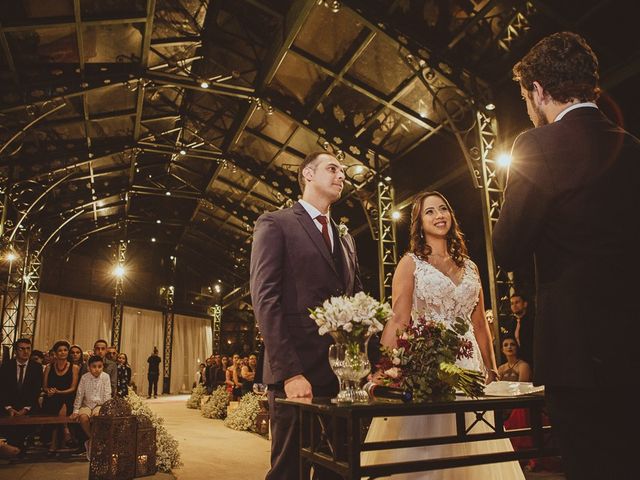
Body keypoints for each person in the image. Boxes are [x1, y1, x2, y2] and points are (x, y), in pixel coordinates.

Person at [493, 31, 640, 480]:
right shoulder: (633, 148)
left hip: (575, 352)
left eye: (525, 96)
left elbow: (508, 247)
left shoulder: (538, 146)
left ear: (538, 91)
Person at [363, 191, 524, 479]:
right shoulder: (411, 263)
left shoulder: (471, 267)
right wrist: (384, 368)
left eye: (443, 208)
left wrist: (490, 367)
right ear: (418, 222)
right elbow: (398, 318)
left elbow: (479, 324)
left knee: (475, 442)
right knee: (429, 444)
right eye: (430, 211)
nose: (439, 215)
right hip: (429, 363)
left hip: (469, 365)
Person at [250, 150, 362, 480]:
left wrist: (367, 368)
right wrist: (290, 373)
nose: (341, 176)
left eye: (343, 171)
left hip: (342, 380)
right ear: (308, 175)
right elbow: (265, 299)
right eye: (333, 168)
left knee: (339, 470)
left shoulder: (346, 239)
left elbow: (356, 307)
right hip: (297, 377)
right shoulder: (276, 223)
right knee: (290, 472)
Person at [0, 338, 43, 452]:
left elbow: (36, 390)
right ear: (15, 351)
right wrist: (9, 408)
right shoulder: (6, 366)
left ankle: (18, 447)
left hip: (29, 405)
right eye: (22, 349)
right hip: (9, 405)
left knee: (31, 419)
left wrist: (25, 408)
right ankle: (14, 447)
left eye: (28, 349)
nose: (25, 352)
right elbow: (2, 389)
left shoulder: (37, 367)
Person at [70, 355, 111, 459]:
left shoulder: (105, 377)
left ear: (103, 367)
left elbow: (107, 394)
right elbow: (79, 394)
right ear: (88, 367)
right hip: (86, 404)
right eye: (94, 366)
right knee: (83, 417)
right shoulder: (84, 377)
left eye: (99, 366)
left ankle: (93, 442)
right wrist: (75, 410)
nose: (97, 369)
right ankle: (92, 439)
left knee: (97, 416)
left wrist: (106, 409)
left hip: (100, 405)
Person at [42, 340, 80, 452]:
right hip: (51, 397)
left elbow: (73, 388)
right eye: (60, 350)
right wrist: (49, 391)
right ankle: (65, 431)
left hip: (68, 396)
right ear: (55, 353)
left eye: (65, 350)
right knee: (56, 404)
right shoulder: (49, 367)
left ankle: (54, 443)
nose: (63, 352)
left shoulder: (74, 367)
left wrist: (58, 392)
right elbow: (44, 386)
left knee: (61, 404)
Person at [506, 293, 534, 368]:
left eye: (517, 302)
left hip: (532, 359)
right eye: (512, 303)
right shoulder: (511, 323)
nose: (514, 306)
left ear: (525, 304)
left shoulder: (532, 321)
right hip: (518, 361)